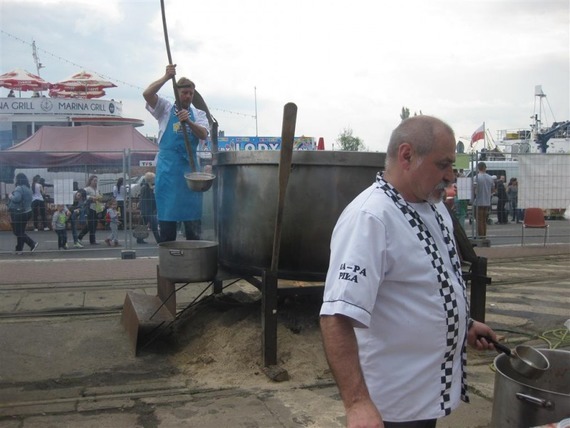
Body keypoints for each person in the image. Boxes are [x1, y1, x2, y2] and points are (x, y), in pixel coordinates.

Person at [319, 116, 497, 428]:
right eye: (443, 164)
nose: (450, 176)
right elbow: (336, 317)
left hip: (426, 396)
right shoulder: (370, 218)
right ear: (406, 155)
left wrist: (463, 324)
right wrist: (358, 403)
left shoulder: (434, 205)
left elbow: (427, 284)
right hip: (393, 404)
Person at [143, 64, 210, 243]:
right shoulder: (164, 109)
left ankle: (194, 262)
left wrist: (188, 121)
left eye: (190, 93)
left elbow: (203, 133)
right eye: (184, 93)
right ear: (177, 93)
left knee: (193, 225)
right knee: (167, 224)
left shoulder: (199, 113)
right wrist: (166, 77)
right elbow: (147, 94)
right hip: (168, 173)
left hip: (190, 173)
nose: (187, 96)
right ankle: (169, 262)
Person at [8, 173, 38, 254]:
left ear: (18, 180)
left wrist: (10, 196)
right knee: (21, 231)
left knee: (17, 232)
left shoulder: (19, 188)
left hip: (19, 212)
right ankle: (19, 249)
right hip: (28, 211)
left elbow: (17, 199)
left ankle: (32, 243)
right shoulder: (28, 188)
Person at [77, 175, 103, 245]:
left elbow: (99, 197)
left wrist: (99, 198)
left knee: (94, 224)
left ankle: (91, 240)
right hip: (89, 208)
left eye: (96, 181)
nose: (95, 182)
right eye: (94, 180)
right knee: (90, 225)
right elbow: (82, 195)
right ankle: (80, 237)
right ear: (90, 181)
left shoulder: (96, 190)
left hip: (96, 208)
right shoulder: (87, 189)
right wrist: (90, 197)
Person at [473, 162, 494, 238]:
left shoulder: (476, 178)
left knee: (479, 221)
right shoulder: (490, 178)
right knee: (484, 220)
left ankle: (480, 236)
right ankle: (484, 235)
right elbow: (493, 189)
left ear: (478, 168)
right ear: (485, 168)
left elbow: (474, 190)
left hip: (478, 202)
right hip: (487, 202)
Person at [138, 172, 161, 244]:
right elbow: (150, 199)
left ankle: (139, 239)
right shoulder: (147, 188)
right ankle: (159, 240)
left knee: (142, 225)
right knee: (154, 226)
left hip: (145, 209)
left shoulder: (144, 187)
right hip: (149, 209)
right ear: (151, 179)